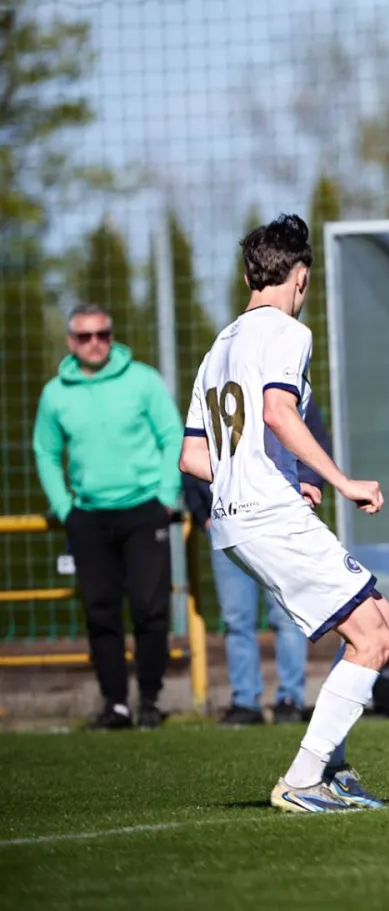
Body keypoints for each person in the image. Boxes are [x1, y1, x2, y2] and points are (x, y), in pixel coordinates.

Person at [180, 213, 389, 813]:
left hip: (236, 519)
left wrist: (262, 475)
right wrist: (341, 481)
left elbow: (192, 457)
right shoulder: (287, 333)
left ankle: (333, 770)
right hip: (268, 516)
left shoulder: (217, 349)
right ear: (300, 277)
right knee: (373, 637)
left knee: (379, 616)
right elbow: (278, 412)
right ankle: (303, 778)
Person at [33, 304, 184, 731]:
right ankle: (115, 704)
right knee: (100, 612)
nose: (95, 343)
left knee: (150, 608)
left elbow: (172, 435)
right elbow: (45, 452)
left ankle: (150, 700)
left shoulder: (143, 380)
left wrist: (166, 496)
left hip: (145, 510)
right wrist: (65, 508)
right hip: (88, 516)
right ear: (71, 342)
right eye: (85, 336)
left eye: (102, 334)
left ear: (112, 337)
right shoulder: (54, 394)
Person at [184, 396, 335, 725]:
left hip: (280, 524)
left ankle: (290, 699)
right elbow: (191, 453)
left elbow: (314, 443)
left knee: (288, 614)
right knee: (237, 619)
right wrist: (203, 514)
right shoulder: (214, 387)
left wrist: (306, 487)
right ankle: (245, 701)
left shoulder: (287, 389)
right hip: (227, 524)